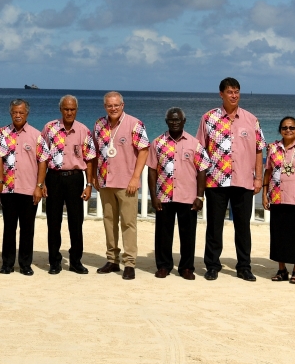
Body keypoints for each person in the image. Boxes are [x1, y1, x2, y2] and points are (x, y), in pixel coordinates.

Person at [196, 77, 264, 281]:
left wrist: (258, 178)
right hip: (216, 181)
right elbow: (200, 150)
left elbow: (259, 149)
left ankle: (244, 266)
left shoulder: (251, 119)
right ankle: (212, 265)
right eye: (229, 92)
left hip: (243, 180)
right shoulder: (208, 118)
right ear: (221, 94)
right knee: (214, 226)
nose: (234, 95)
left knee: (243, 227)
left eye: (236, 91)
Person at [147, 108, 210, 280]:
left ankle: (186, 267)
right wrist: (153, 196)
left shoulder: (194, 143)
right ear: (166, 121)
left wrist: (199, 197)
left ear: (184, 121)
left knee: (188, 235)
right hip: (164, 196)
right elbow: (152, 170)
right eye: (171, 120)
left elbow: (202, 170)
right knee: (163, 234)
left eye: (178, 119)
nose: (174, 122)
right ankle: (163, 266)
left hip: (188, 197)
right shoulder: (157, 143)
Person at [93, 91, 149, 280]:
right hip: (105, 181)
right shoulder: (99, 124)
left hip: (127, 183)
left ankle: (130, 262)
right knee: (109, 222)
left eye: (116, 105)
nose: (113, 108)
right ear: (105, 107)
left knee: (128, 223)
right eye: (110, 105)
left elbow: (143, 151)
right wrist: (93, 176)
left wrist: (135, 178)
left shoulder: (135, 124)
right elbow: (96, 152)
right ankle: (112, 260)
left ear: (122, 105)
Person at [0, 99, 50, 276]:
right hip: (8, 189)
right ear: (11, 113)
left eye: (21, 112)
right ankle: (7, 264)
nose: (18, 115)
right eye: (15, 112)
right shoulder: (2, 133)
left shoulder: (36, 135)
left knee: (27, 228)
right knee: (9, 228)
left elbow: (43, 161)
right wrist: (0, 181)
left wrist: (39, 186)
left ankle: (25, 264)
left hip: (28, 189)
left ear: (27, 114)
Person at [41, 95, 97, 275]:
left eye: (72, 109)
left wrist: (89, 185)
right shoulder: (49, 128)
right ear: (61, 110)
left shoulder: (83, 131)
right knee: (53, 221)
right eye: (66, 109)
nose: (69, 112)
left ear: (76, 110)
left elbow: (90, 159)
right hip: (54, 178)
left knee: (76, 221)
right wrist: (41, 183)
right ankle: (55, 261)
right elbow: (41, 157)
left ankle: (75, 261)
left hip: (75, 178)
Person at [263, 116, 295, 284]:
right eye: (285, 128)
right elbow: (268, 171)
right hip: (277, 196)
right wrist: (264, 194)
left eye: (292, 128)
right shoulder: (273, 148)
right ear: (280, 130)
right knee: (278, 234)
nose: (288, 130)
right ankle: (281, 269)